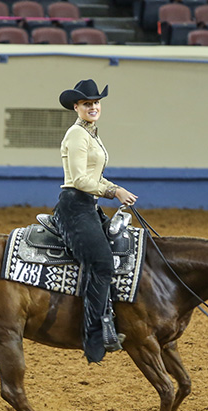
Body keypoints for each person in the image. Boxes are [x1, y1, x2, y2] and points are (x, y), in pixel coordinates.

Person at [53, 79, 138, 364]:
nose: (93, 107)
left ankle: (111, 316)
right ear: (76, 107)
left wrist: (114, 188)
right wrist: (114, 191)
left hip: (88, 207)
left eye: (96, 103)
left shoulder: (91, 135)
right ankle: (94, 336)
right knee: (100, 262)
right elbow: (79, 179)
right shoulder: (77, 135)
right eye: (87, 103)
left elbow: (94, 176)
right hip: (74, 208)